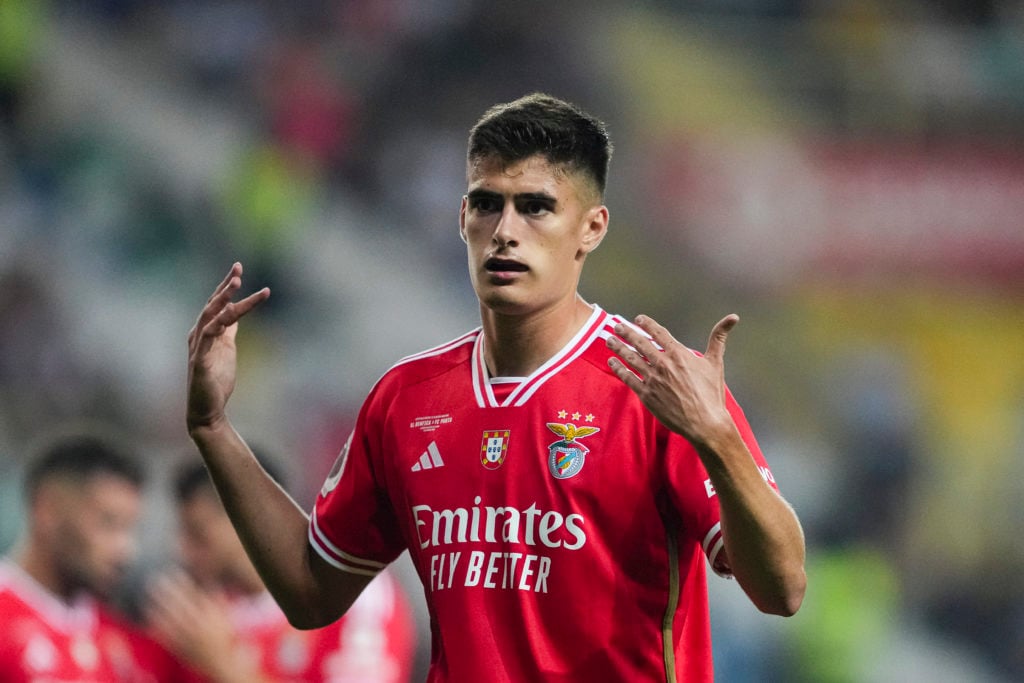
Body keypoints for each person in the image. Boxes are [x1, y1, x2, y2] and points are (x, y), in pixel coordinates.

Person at [185, 92, 807, 681]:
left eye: (536, 206)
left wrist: (717, 438)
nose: (505, 230)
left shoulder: (657, 386)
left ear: (591, 228)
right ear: (462, 219)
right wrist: (213, 429)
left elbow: (783, 589)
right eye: (487, 204)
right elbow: (310, 589)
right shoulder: (406, 398)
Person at [145, 455, 415, 682]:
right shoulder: (202, 615)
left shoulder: (356, 590)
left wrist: (227, 667)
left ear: (248, 516)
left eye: (198, 533)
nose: (182, 550)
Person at [0, 428, 181, 682]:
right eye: (108, 523)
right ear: (48, 509)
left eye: (130, 528)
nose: (126, 550)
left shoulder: (133, 642)